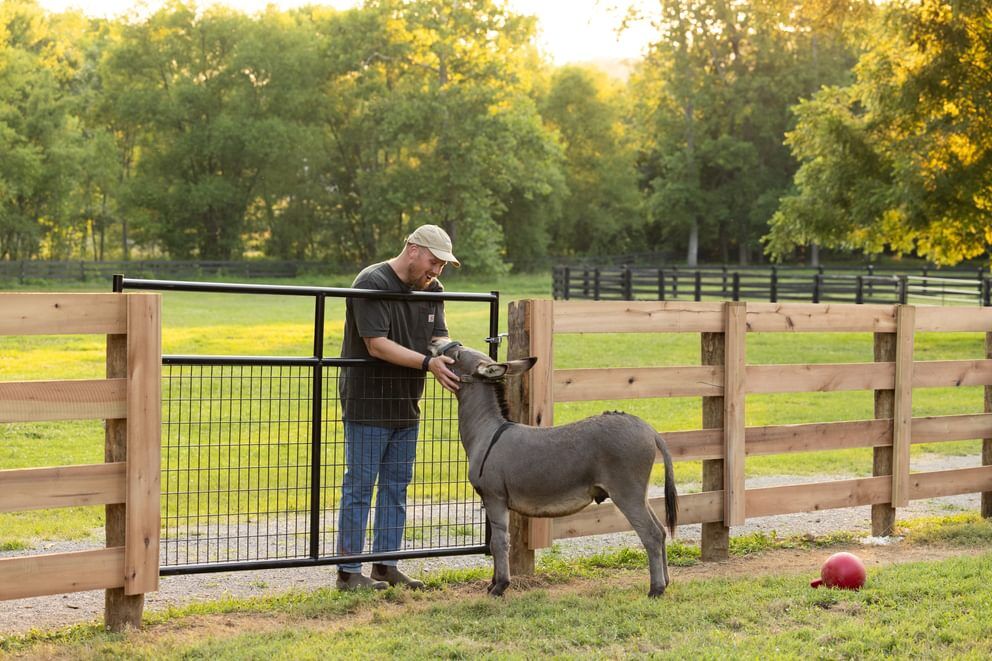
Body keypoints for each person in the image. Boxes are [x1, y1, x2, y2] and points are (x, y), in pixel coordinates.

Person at [336, 224, 461, 591]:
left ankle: (386, 566)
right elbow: (376, 345)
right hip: (369, 403)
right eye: (434, 263)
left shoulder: (433, 290)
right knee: (359, 486)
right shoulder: (371, 282)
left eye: (441, 266)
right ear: (412, 250)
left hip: (407, 402)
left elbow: (438, 337)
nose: (436, 272)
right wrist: (427, 364)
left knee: (396, 486)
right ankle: (347, 572)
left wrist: (458, 355)